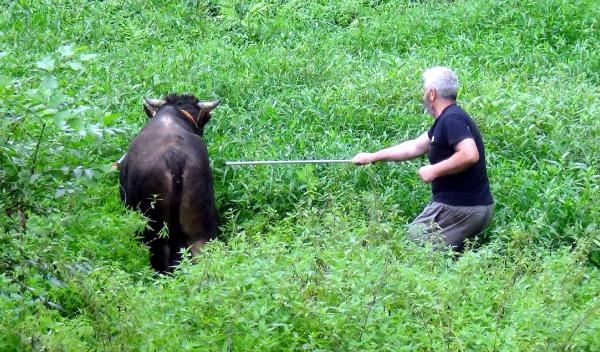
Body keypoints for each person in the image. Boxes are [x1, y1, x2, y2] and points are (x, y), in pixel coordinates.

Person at [352, 66, 494, 251]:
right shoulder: (446, 120)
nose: (423, 95)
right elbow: (414, 147)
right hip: (472, 208)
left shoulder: (452, 119)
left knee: (413, 246)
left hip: (461, 207)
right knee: (442, 255)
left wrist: (435, 170)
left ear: (432, 94)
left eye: (424, 90)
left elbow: (469, 154)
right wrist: (372, 157)